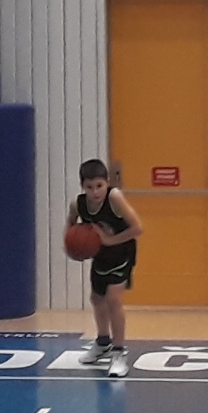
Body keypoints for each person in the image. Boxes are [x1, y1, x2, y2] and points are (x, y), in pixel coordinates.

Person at [72, 158, 142, 379]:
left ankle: (119, 352)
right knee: (96, 298)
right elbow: (70, 225)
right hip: (101, 255)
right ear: (82, 186)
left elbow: (138, 228)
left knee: (113, 299)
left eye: (99, 186)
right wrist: (73, 247)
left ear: (107, 183)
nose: (95, 192)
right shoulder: (78, 204)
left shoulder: (114, 198)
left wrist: (110, 240)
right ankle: (103, 342)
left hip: (122, 253)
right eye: (89, 187)